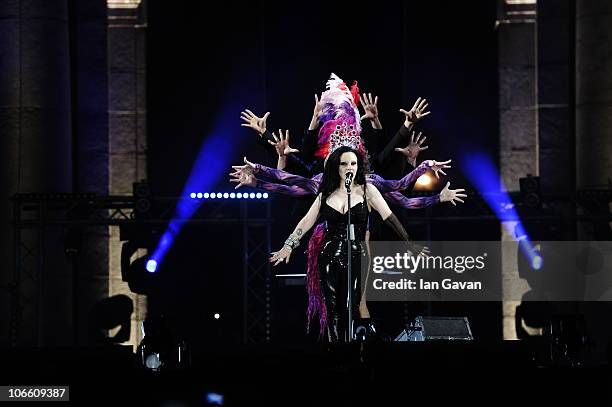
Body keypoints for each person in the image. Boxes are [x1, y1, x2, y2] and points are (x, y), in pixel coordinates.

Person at [269, 146, 425, 343]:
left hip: (358, 253)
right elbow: (306, 221)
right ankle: (336, 353)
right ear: (337, 167)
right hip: (329, 254)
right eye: (344, 163)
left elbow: (390, 218)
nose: (349, 167)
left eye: (353, 163)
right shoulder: (325, 194)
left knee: (354, 305)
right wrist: (288, 245)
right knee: (332, 307)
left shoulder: (367, 190)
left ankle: (358, 352)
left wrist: (409, 243)